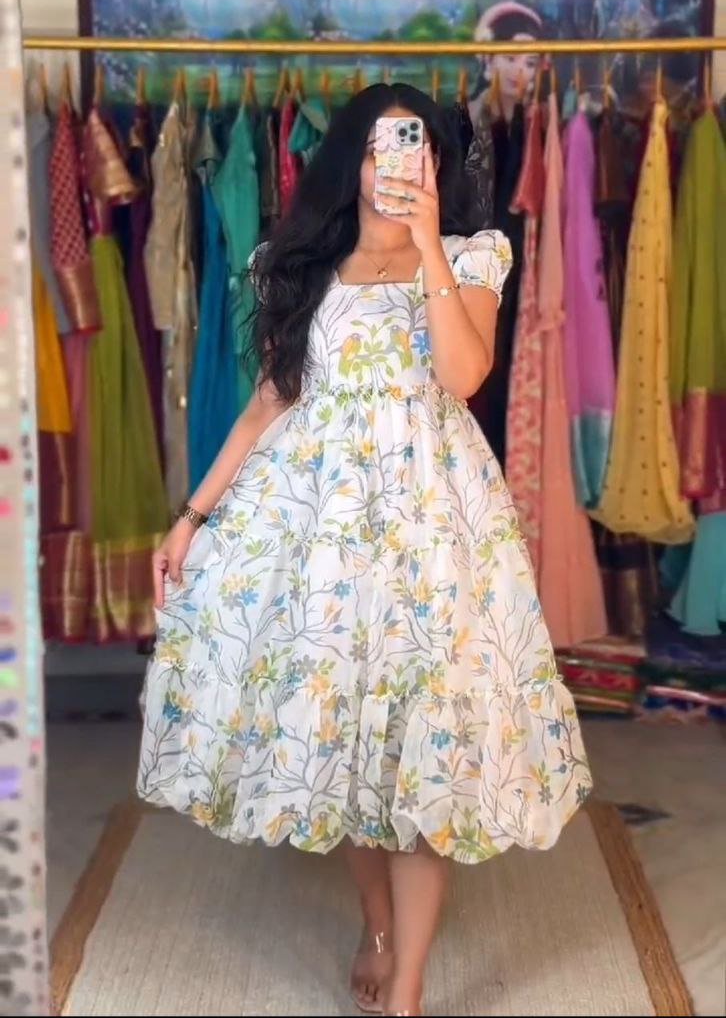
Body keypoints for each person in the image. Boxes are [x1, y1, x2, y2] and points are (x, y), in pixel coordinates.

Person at [137, 84, 591, 1017]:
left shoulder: (473, 253)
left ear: (435, 162)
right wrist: (193, 516)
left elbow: (462, 375)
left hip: (433, 529)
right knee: (344, 737)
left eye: (411, 147)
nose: (395, 166)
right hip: (325, 530)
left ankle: (409, 984)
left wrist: (428, 242)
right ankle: (377, 925)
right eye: (379, 149)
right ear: (352, 161)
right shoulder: (304, 264)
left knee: (426, 737)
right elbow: (271, 402)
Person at [468, 0, 544, 126]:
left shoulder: (544, 117)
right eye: (510, 58)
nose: (519, 70)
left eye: (530, 63)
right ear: (489, 59)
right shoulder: (468, 117)